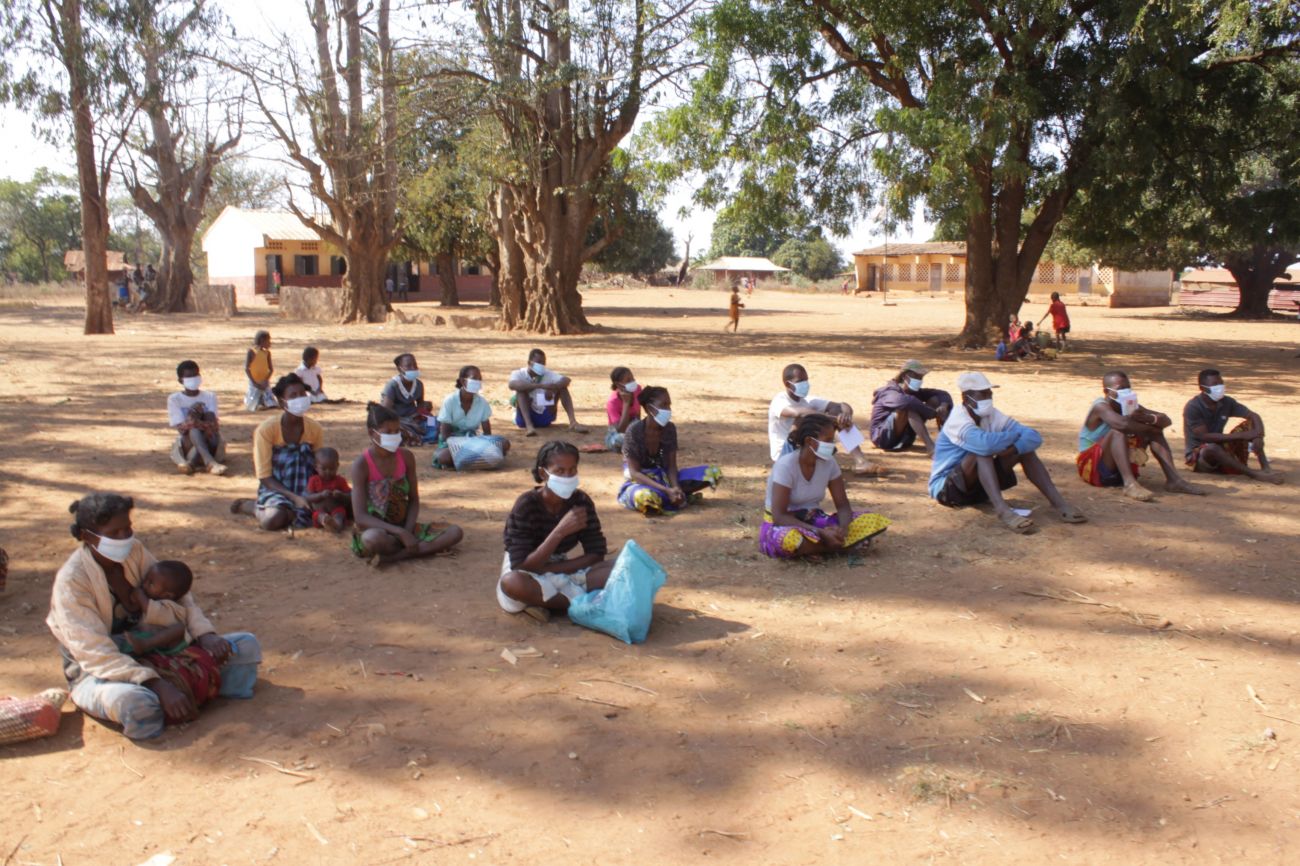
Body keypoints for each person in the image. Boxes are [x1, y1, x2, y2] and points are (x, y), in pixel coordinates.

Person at [46, 493, 261, 740]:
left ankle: (178, 695)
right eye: (114, 533)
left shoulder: (134, 551)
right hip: (100, 672)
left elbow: (179, 596)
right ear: (86, 536)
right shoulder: (72, 582)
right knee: (136, 704)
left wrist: (206, 634)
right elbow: (95, 654)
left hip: (159, 652)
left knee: (244, 647)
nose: (124, 538)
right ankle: (169, 699)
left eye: (128, 528)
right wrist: (157, 684)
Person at [928, 372, 1087, 533]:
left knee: (1025, 450)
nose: (988, 397)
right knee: (982, 452)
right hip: (947, 490)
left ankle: (1058, 503)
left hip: (976, 488)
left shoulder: (991, 415)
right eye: (982, 394)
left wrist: (1016, 448)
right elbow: (985, 445)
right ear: (967, 397)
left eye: (989, 393)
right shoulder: (958, 419)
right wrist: (1014, 436)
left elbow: (1033, 437)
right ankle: (1003, 511)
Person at [498, 441, 612, 622]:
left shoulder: (581, 501)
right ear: (544, 473)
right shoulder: (526, 505)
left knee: (620, 569)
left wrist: (552, 570)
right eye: (560, 471)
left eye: (572, 470)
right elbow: (521, 565)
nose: (568, 477)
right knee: (513, 584)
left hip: (561, 567)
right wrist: (559, 532)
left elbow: (596, 553)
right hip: (526, 569)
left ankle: (550, 603)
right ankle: (578, 603)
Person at [760, 414, 891, 559]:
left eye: (832, 440)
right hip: (785, 524)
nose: (832, 446)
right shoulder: (786, 466)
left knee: (872, 520)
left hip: (815, 520)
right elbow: (779, 516)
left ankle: (817, 548)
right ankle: (833, 547)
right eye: (828, 441)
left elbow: (842, 506)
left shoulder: (829, 463)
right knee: (790, 539)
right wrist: (820, 532)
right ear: (809, 441)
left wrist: (843, 530)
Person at [350, 403, 464, 565]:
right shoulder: (361, 465)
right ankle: (414, 549)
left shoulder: (406, 457)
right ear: (371, 433)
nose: (394, 435)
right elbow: (360, 517)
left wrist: (408, 530)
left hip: (404, 525)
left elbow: (414, 500)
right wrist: (400, 533)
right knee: (372, 539)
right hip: (378, 529)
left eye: (397, 431)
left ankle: (396, 556)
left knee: (454, 532)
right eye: (388, 432)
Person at [1077, 371, 1204, 500]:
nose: (1126, 392)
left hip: (1116, 469)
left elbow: (1166, 420)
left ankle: (1174, 480)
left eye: (1128, 388)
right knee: (1118, 433)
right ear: (1107, 391)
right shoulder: (1100, 407)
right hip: (1093, 467)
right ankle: (1130, 484)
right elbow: (1122, 425)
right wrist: (1151, 427)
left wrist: (1148, 418)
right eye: (1121, 389)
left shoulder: (1130, 405)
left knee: (1155, 433)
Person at [230, 373, 324, 530]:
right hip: (276, 488)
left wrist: (316, 493)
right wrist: (294, 498)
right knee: (272, 521)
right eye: (293, 395)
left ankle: (292, 512)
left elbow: (318, 466)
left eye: (302, 394)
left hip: (306, 486)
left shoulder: (315, 429)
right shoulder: (266, 430)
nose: (299, 398)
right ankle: (252, 507)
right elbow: (265, 476)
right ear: (282, 402)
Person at [618, 386, 723, 515]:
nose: (668, 410)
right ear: (649, 408)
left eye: (669, 405)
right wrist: (666, 490)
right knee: (645, 497)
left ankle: (671, 496)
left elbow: (671, 466)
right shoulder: (634, 431)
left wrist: (676, 488)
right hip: (642, 481)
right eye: (663, 405)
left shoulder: (669, 429)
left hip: (665, 477)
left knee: (712, 472)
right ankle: (664, 495)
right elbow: (635, 473)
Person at [767, 363, 886, 475]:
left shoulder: (808, 400)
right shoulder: (779, 400)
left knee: (838, 415)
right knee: (803, 420)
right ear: (788, 385)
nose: (805, 384)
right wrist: (833, 419)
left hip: (805, 449)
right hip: (785, 453)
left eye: (806, 380)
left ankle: (861, 462)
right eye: (800, 381)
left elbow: (841, 406)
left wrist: (845, 415)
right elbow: (797, 413)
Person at [1183, 369, 1283, 484]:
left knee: (1251, 425)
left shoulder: (1226, 402)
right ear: (1203, 388)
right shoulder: (1193, 407)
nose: (1220, 387)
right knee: (1211, 448)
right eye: (1215, 384)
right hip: (1200, 455)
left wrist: (1258, 436)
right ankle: (1254, 474)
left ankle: (1265, 467)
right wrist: (1242, 435)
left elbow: (1253, 415)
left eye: (1221, 383)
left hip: (1220, 447)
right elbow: (1205, 437)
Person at [868, 360, 953, 456]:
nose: (919, 380)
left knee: (936, 400)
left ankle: (947, 440)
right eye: (916, 377)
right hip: (882, 439)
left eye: (921, 377)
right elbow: (906, 401)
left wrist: (943, 405)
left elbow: (942, 394)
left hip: (906, 439)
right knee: (908, 406)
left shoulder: (914, 392)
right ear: (904, 376)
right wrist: (931, 413)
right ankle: (930, 446)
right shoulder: (889, 391)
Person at [433, 365, 511, 470]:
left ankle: (468, 460)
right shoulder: (450, 400)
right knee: (444, 457)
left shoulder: (482, 402)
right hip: (453, 442)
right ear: (462, 381)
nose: (478, 382)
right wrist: (463, 446)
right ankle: (475, 460)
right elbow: (446, 434)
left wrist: (485, 446)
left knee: (505, 444)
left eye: (480, 379)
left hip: (473, 440)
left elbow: (487, 433)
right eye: (474, 378)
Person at [120, 560, 200, 657]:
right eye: (145, 579)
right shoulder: (152, 600)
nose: (144, 585)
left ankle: (145, 645)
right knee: (127, 642)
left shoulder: (170, 606)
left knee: (180, 628)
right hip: (148, 638)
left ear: (167, 595)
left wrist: (139, 595)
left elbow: (149, 610)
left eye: (151, 584)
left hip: (171, 644)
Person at [508, 348, 589, 436]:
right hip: (524, 418)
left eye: (543, 363)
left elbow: (566, 380)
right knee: (521, 392)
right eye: (539, 362)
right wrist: (540, 386)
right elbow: (512, 385)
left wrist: (554, 388)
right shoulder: (518, 373)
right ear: (529, 363)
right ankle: (529, 426)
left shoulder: (547, 374)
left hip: (544, 416)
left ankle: (573, 422)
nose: (542, 365)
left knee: (563, 388)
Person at [167, 360, 227, 475]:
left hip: (211, 439)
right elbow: (181, 429)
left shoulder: (210, 396)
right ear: (181, 381)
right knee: (194, 430)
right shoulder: (174, 399)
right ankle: (209, 462)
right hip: (188, 444)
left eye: (196, 375)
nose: (194, 379)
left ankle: (191, 463)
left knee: (206, 420)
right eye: (189, 377)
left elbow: (214, 426)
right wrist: (193, 415)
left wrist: (196, 421)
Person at [380, 353, 435, 446]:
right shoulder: (392, 385)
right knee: (398, 429)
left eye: (415, 365)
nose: (413, 368)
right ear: (400, 368)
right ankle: (421, 437)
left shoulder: (419, 384)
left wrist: (425, 408)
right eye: (408, 366)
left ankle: (427, 436)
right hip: (397, 419)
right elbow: (385, 411)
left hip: (413, 418)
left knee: (433, 420)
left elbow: (420, 404)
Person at [306, 447, 351, 532]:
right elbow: (308, 497)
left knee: (340, 514)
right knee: (319, 515)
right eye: (324, 469)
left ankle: (336, 525)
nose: (328, 472)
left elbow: (350, 496)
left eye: (332, 469)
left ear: (337, 466)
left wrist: (341, 495)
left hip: (336, 508)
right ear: (316, 467)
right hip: (320, 510)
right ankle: (326, 521)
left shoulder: (340, 481)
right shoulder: (314, 480)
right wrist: (320, 495)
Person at [605, 366, 641, 451]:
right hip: (617, 434)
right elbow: (621, 429)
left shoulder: (637, 389)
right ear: (618, 384)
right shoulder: (612, 402)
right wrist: (626, 404)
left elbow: (638, 411)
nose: (633, 382)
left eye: (633, 379)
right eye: (628, 380)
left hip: (634, 428)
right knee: (621, 439)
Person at [244, 330, 277, 412]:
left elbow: (271, 369)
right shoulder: (251, 352)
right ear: (262, 340)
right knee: (254, 399)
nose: (270, 343)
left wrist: (266, 380)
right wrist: (254, 382)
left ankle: (265, 403)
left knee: (270, 400)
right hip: (254, 381)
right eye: (268, 341)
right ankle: (259, 404)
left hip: (264, 381)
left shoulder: (267, 353)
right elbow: (247, 368)